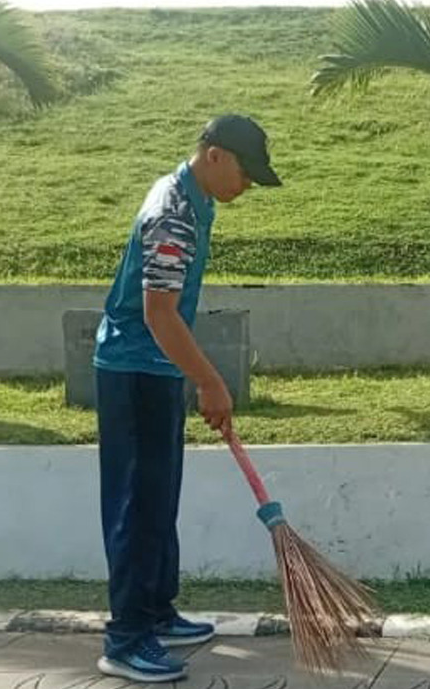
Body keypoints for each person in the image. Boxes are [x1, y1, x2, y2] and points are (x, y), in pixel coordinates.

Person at [92, 114, 282, 682]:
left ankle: (156, 611)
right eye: (246, 173)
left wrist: (192, 374)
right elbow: (157, 313)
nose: (246, 186)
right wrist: (210, 380)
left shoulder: (194, 197)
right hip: (134, 370)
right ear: (217, 155)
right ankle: (126, 640)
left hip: (154, 366)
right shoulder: (172, 213)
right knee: (137, 505)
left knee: (158, 498)